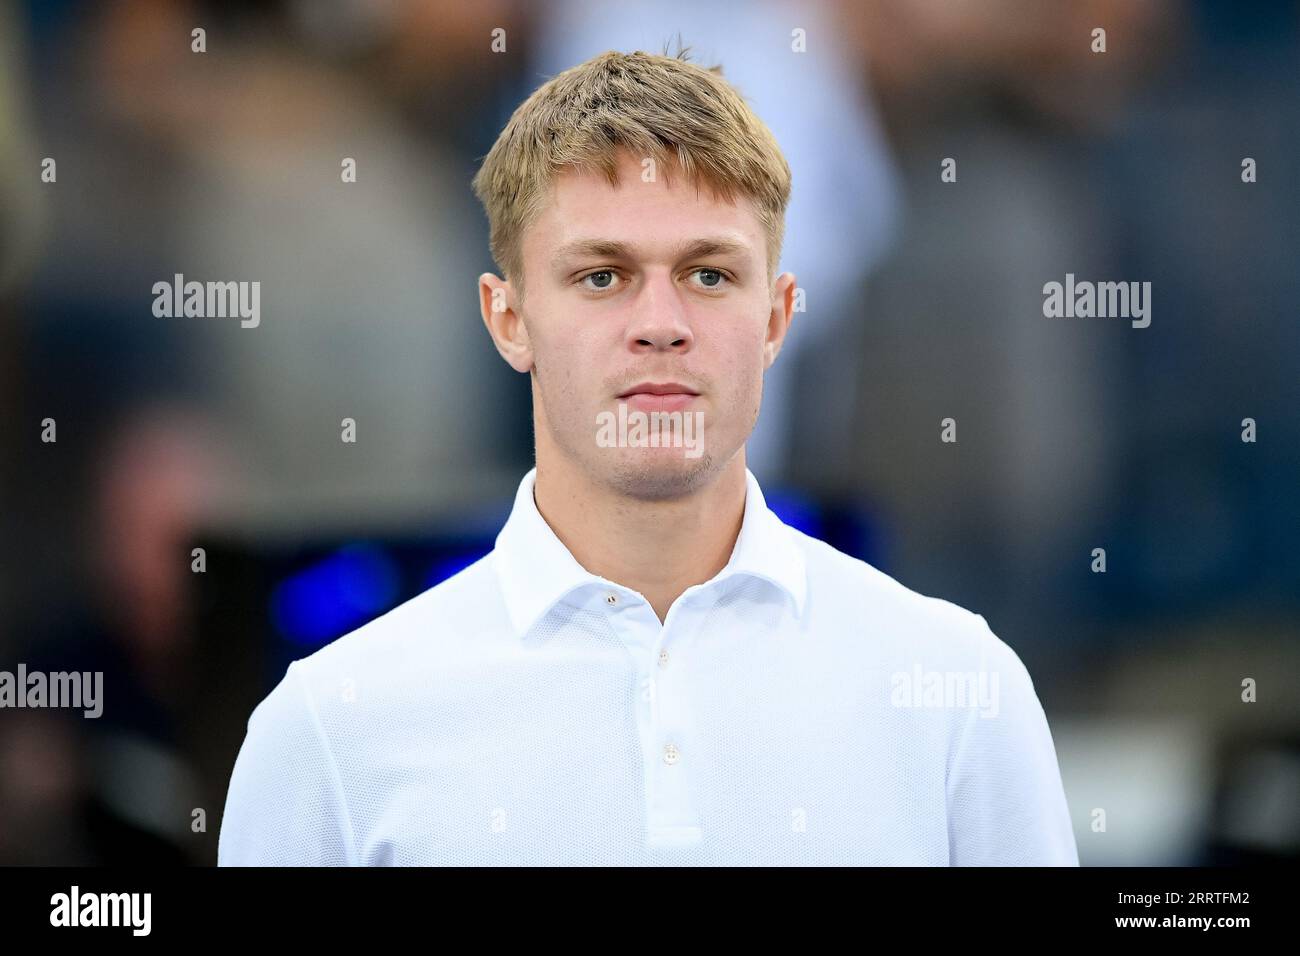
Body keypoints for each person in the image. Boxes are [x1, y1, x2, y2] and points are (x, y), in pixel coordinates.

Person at [218, 49, 1078, 866]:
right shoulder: (329, 730)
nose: (660, 322)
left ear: (776, 318)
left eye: (708, 275)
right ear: (507, 318)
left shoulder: (961, 692)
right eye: (601, 276)